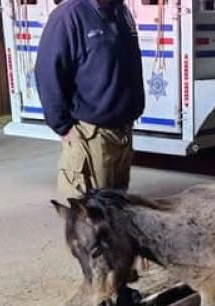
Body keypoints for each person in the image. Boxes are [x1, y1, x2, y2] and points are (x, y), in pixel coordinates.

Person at [35, 0, 145, 201]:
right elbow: (48, 73)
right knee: (90, 217)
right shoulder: (69, 15)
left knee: (116, 211)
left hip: (122, 133)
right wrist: (63, 126)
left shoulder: (120, 11)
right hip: (90, 134)